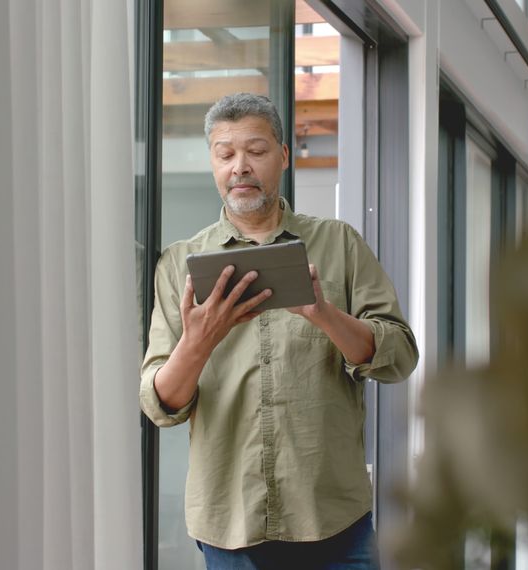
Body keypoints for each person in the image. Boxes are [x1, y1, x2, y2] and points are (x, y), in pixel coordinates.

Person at [140, 92, 418, 570]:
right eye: (225, 154)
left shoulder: (340, 244)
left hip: (335, 521)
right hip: (230, 527)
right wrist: (199, 341)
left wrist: (323, 314)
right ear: (213, 162)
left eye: (256, 151)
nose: (240, 166)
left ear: (283, 156)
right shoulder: (177, 266)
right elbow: (160, 404)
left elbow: (400, 356)